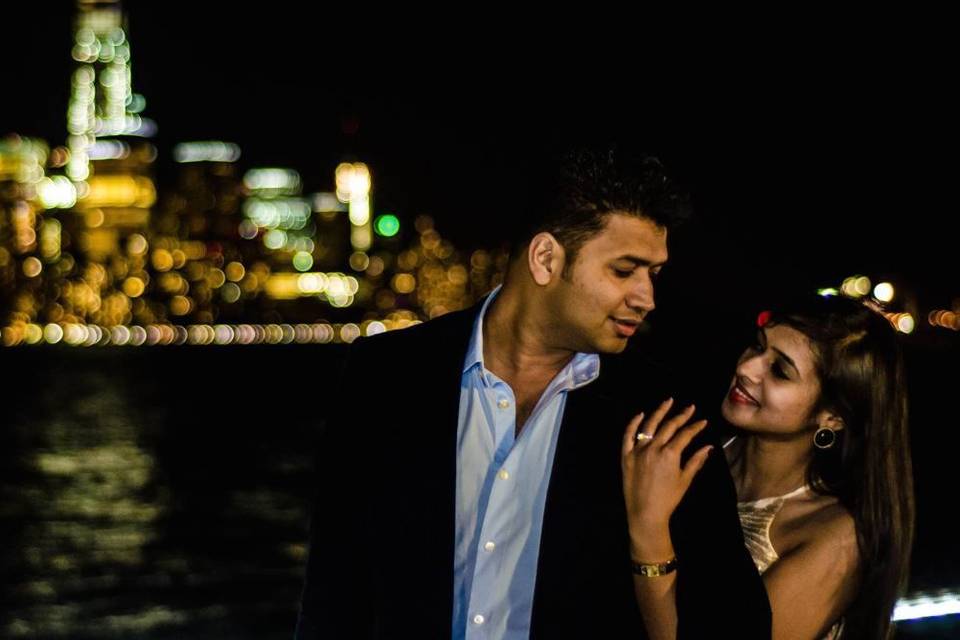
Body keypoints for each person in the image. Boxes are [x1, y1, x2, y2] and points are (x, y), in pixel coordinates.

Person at [295, 146, 770, 639]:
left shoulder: (666, 415)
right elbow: (334, 591)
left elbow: (737, 621)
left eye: (654, 274)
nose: (646, 298)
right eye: (624, 270)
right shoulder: (387, 374)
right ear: (545, 258)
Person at [622, 293, 914, 639]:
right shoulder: (689, 450)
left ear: (832, 417)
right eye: (757, 346)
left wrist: (649, 531)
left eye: (779, 371)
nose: (746, 368)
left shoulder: (835, 539)